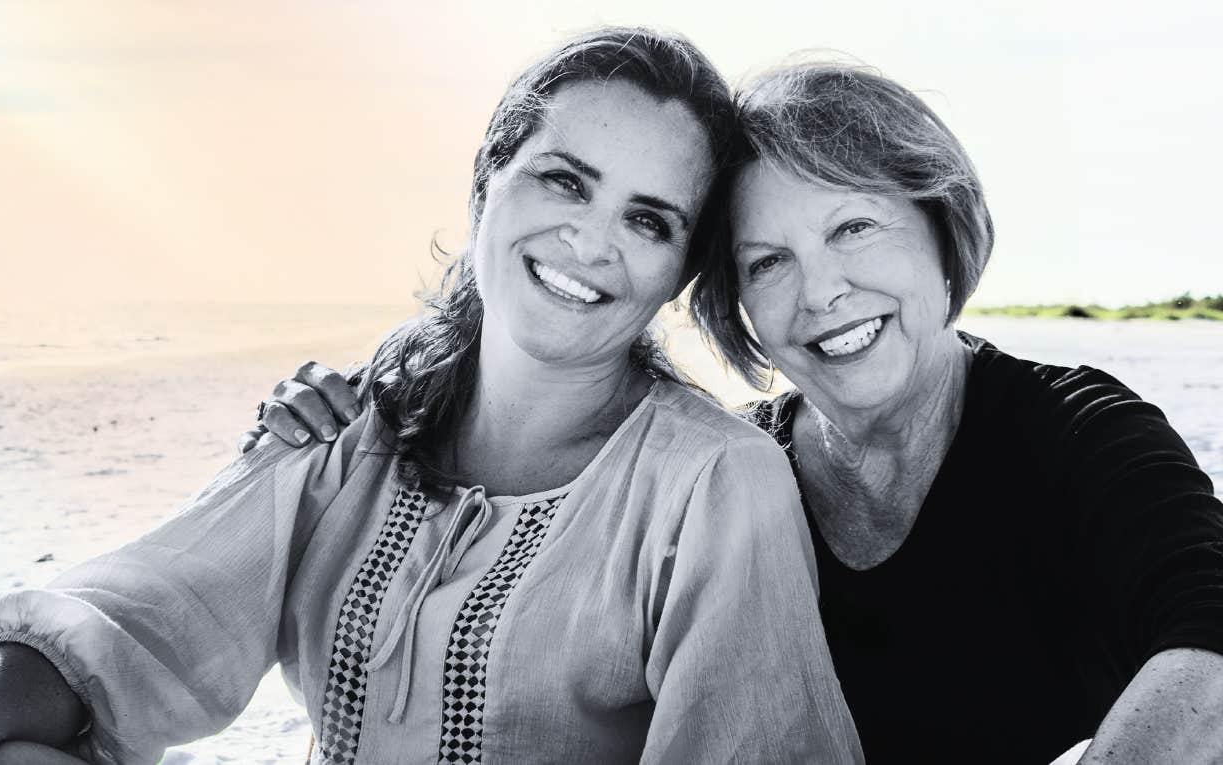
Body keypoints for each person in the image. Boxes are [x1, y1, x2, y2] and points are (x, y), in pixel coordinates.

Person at [0, 29, 865, 765]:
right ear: (488, 179)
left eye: (648, 220)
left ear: (678, 270)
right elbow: (128, 625)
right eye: (566, 182)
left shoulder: (712, 485)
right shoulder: (359, 420)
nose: (593, 242)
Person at [245, 64, 1223, 764]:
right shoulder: (727, 478)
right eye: (767, 262)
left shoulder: (1076, 435)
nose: (821, 293)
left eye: (853, 228)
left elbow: (1209, 643)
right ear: (734, 302)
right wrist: (363, 420)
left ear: (940, 230)